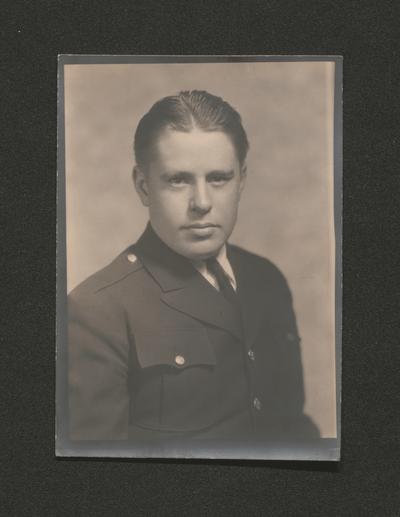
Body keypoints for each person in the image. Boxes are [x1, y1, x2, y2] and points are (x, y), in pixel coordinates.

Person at [68, 90, 319, 442]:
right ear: (143, 186)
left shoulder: (266, 278)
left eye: (219, 178)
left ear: (242, 180)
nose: (201, 203)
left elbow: (293, 426)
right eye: (178, 180)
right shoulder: (97, 310)